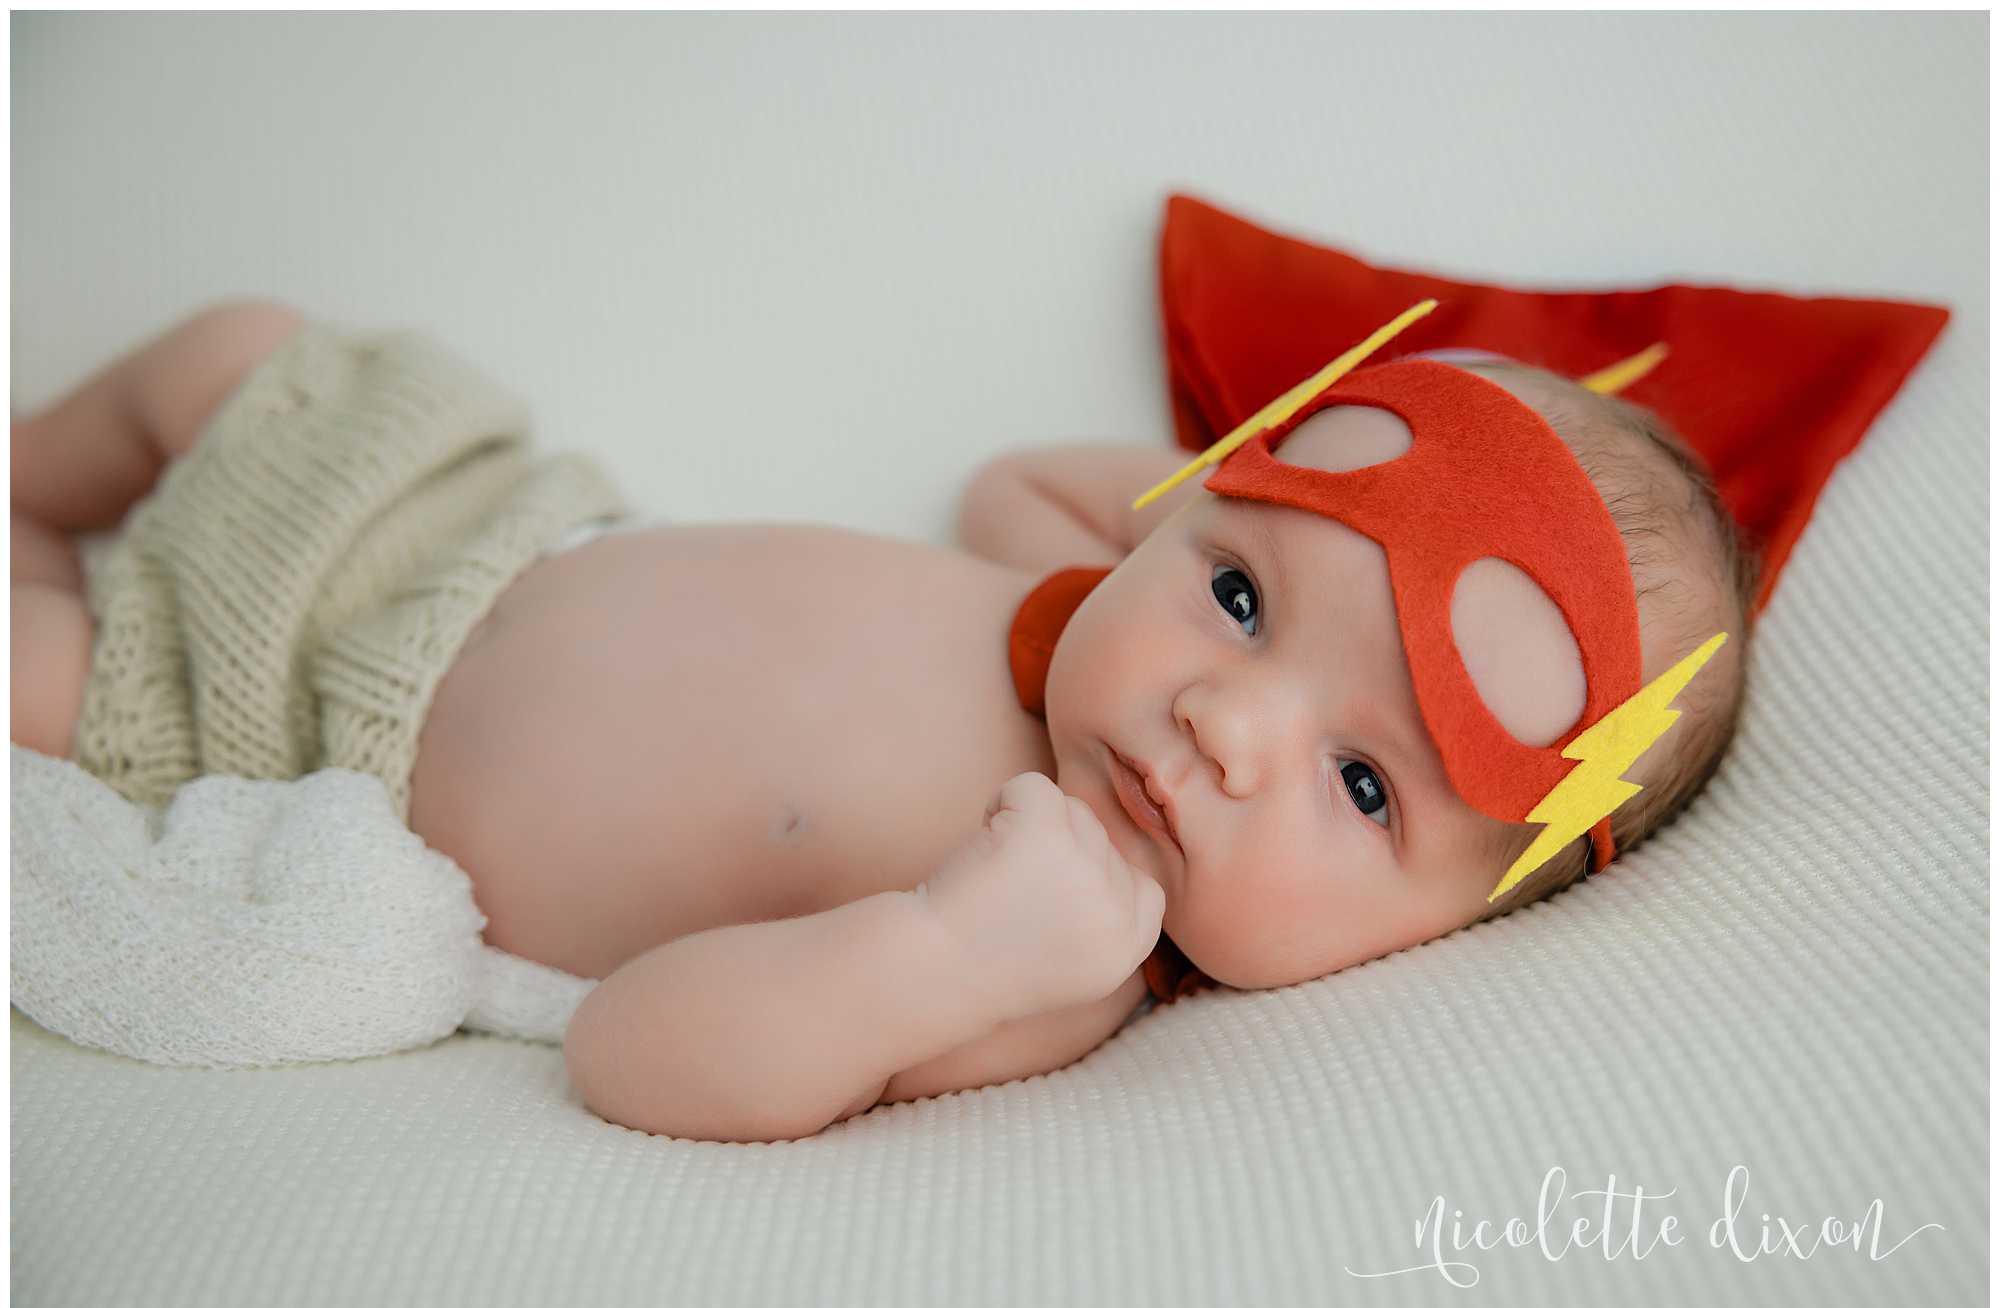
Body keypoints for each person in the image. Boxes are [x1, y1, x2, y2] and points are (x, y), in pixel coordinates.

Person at [9, 300, 1754, 1141]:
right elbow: (1021, 483)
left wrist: (937, 951)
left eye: (1363, 781)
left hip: (309, 740)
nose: (1226, 720)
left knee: (40, 674)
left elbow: (636, 1051)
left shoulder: (1053, 953)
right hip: (475, 525)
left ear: (1438, 931)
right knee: (233, 352)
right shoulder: (1073, 608)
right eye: (1239, 593)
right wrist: (1190, 516)